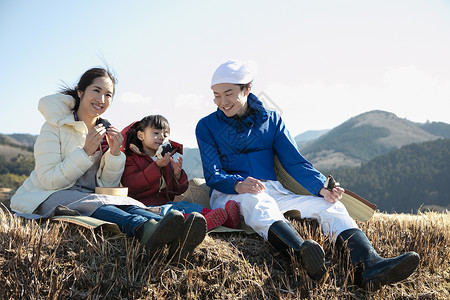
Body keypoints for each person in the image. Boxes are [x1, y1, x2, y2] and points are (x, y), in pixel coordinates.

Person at [195, 59, 420, 289]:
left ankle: (369, 266)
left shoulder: (272, 121)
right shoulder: (206, 126)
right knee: (256, 200)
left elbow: (295, 163)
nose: (222, 102)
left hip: (273, 192)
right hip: (230, 194)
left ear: (247, 89)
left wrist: (322, 187)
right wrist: (239, 185)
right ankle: (301, 253)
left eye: (228, 94)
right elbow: (213, 175)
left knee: (330, 207)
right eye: (216, 95)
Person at [10, 67, 205, 261]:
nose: (102, 100)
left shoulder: (104, 131)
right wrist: (85, 152)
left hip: (89, 195)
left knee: (122, 203)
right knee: (95, 204)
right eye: (96, 91)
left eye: (108, 94)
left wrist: (113, 154)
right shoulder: (54, 127)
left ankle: (174, 233)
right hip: (48, 195)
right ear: (80, 92)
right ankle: (144, 229)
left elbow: (105, 187)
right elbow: (47, 180)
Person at [121, 115, 241, 231]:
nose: (161, 137)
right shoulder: (132, 158)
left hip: (166, 202)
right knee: (170, 211)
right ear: (140, 135)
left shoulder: (166, 157)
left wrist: (177, 175)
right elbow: (132, 185)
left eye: (165, 134)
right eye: (156, 133)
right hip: (144, 206)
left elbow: (177, 191)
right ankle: (196, 223)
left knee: (188, 206)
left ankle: (224, 218)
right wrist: (156, 166)